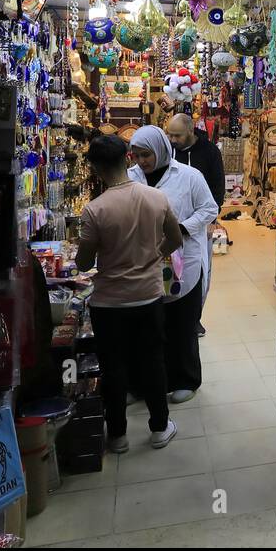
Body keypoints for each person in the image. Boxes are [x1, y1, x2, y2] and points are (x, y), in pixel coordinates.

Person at [75, 134, 183, 453]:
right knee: (153, 361)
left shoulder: (94, 210)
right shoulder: (156, 198)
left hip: (108, 301)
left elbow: (82, 262)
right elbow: (175, 239)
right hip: (148, 295)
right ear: (128, 158)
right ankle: (160, 428)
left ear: (95, 168)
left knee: (114, 367)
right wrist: (151, 256)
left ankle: (118, 435)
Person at [128, 126, 217, 404]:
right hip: (144, 260)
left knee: (182, 322)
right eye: (137, 155)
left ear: (161, 150)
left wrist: (182, 227)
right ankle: (147, 382)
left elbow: (209, 208)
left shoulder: (189, 176)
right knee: (148, 326)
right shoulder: (130, 178)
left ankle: (186, 378)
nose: (142, 161)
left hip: (183, 260)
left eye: (147, 155)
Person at [166, 113, 224, 337]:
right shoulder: (167, 151)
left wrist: (212, 219)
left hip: (201, 221)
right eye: (169, 134)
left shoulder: (210, 152)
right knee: (169, 270)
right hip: (171, 222)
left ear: (190, 130)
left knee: (201, 272)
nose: (172, 139)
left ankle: (194, 317)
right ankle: (174, 315)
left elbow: (218, 187)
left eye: (177, 135)